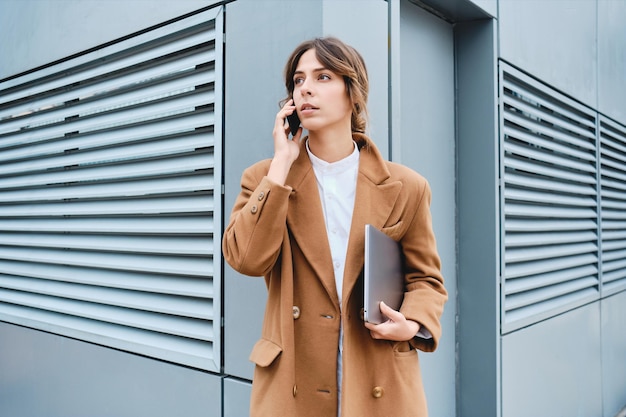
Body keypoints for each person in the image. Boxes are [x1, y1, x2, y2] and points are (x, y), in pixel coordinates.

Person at [222, 37, 447, 417]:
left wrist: (411, 324)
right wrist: (280, 166)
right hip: (294, 382)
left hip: (378, 378)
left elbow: (426, 281)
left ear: (353, 93)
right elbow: (245, 259)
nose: (306, 88)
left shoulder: (407, 186)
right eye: (298, 80)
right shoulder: (264, 178)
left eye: (323, 76)